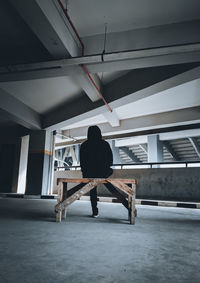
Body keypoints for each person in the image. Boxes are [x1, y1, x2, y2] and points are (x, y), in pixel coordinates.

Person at [80, 125, 113, 217]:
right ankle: (102, 178)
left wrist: (85, 171)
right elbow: (110, 161)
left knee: (92, 190)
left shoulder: (84, 145)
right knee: (110, 171)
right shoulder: (105, 144)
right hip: (102, 172)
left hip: (88, 173)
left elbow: (82, 162)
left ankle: (95, 211)